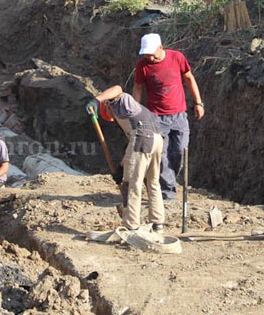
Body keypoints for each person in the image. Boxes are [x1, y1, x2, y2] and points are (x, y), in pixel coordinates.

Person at [132, 33, 205, 201]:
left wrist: (198, 103)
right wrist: (136, 113)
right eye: (146, 54)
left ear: (160, 47)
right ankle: (167, 193)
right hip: (156, 117)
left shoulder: (176, 58)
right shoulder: (143, 66)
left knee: (179, 151)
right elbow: (137, 88)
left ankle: (169, 182)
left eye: (151, 53)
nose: (149, 57)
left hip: (179, 115)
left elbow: (189, 78)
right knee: (161, 155)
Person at [86, 85, 164, 233]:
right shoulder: (135, 114)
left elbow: (117, 88)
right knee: (152, 181)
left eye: (108, 114)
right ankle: (158, 222)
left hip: (143, 138)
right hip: (157, 140)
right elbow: (132, 149)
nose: (112, 117)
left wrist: (96, 100)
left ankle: (131, 225)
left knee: (132, 184)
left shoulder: (123, 104)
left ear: (107, 105)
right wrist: (121, 167)